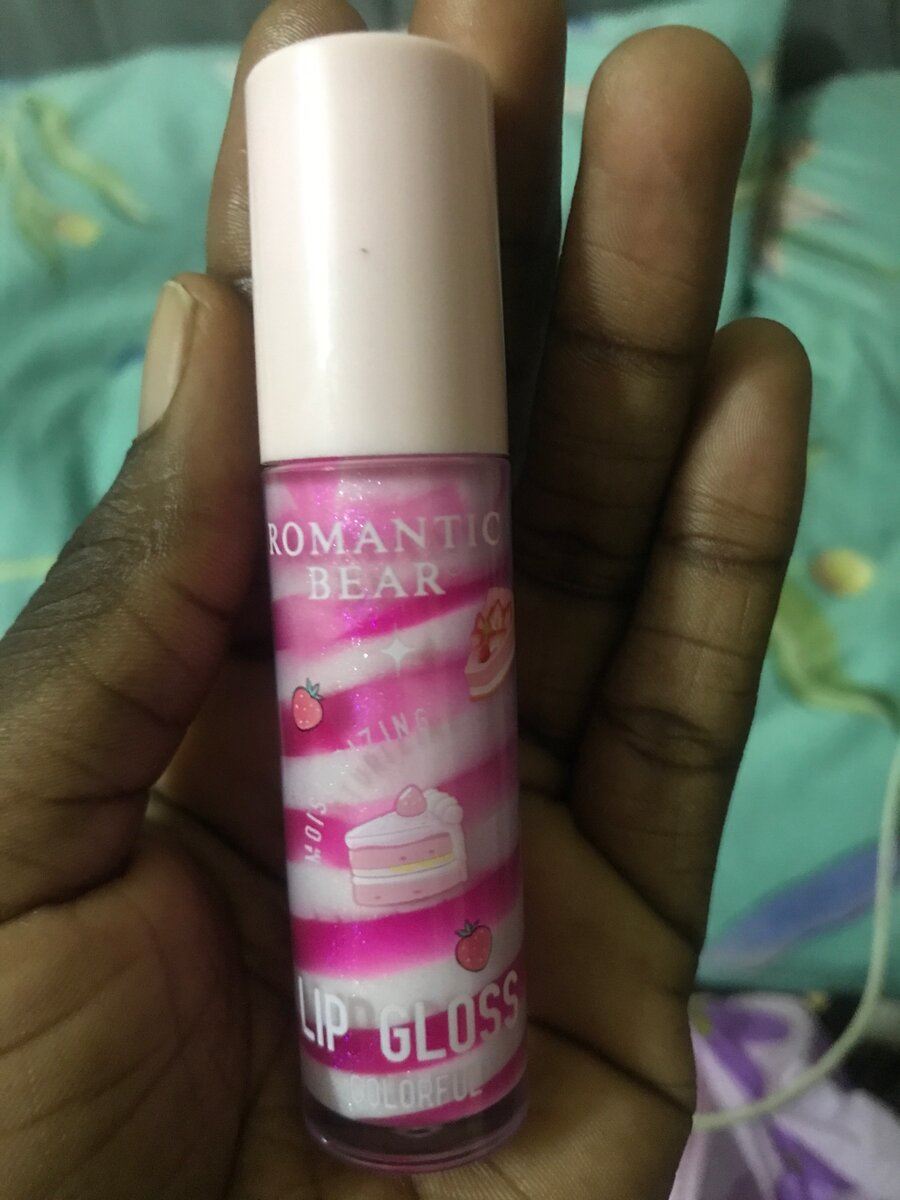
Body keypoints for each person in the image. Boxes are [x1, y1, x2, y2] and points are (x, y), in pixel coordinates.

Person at [0, 3, 810, 1197]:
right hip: (310, 1070)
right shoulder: (307, 477)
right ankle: (385, 1060)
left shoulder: (445, 474)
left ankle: (442, 1049)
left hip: (476, 1031)